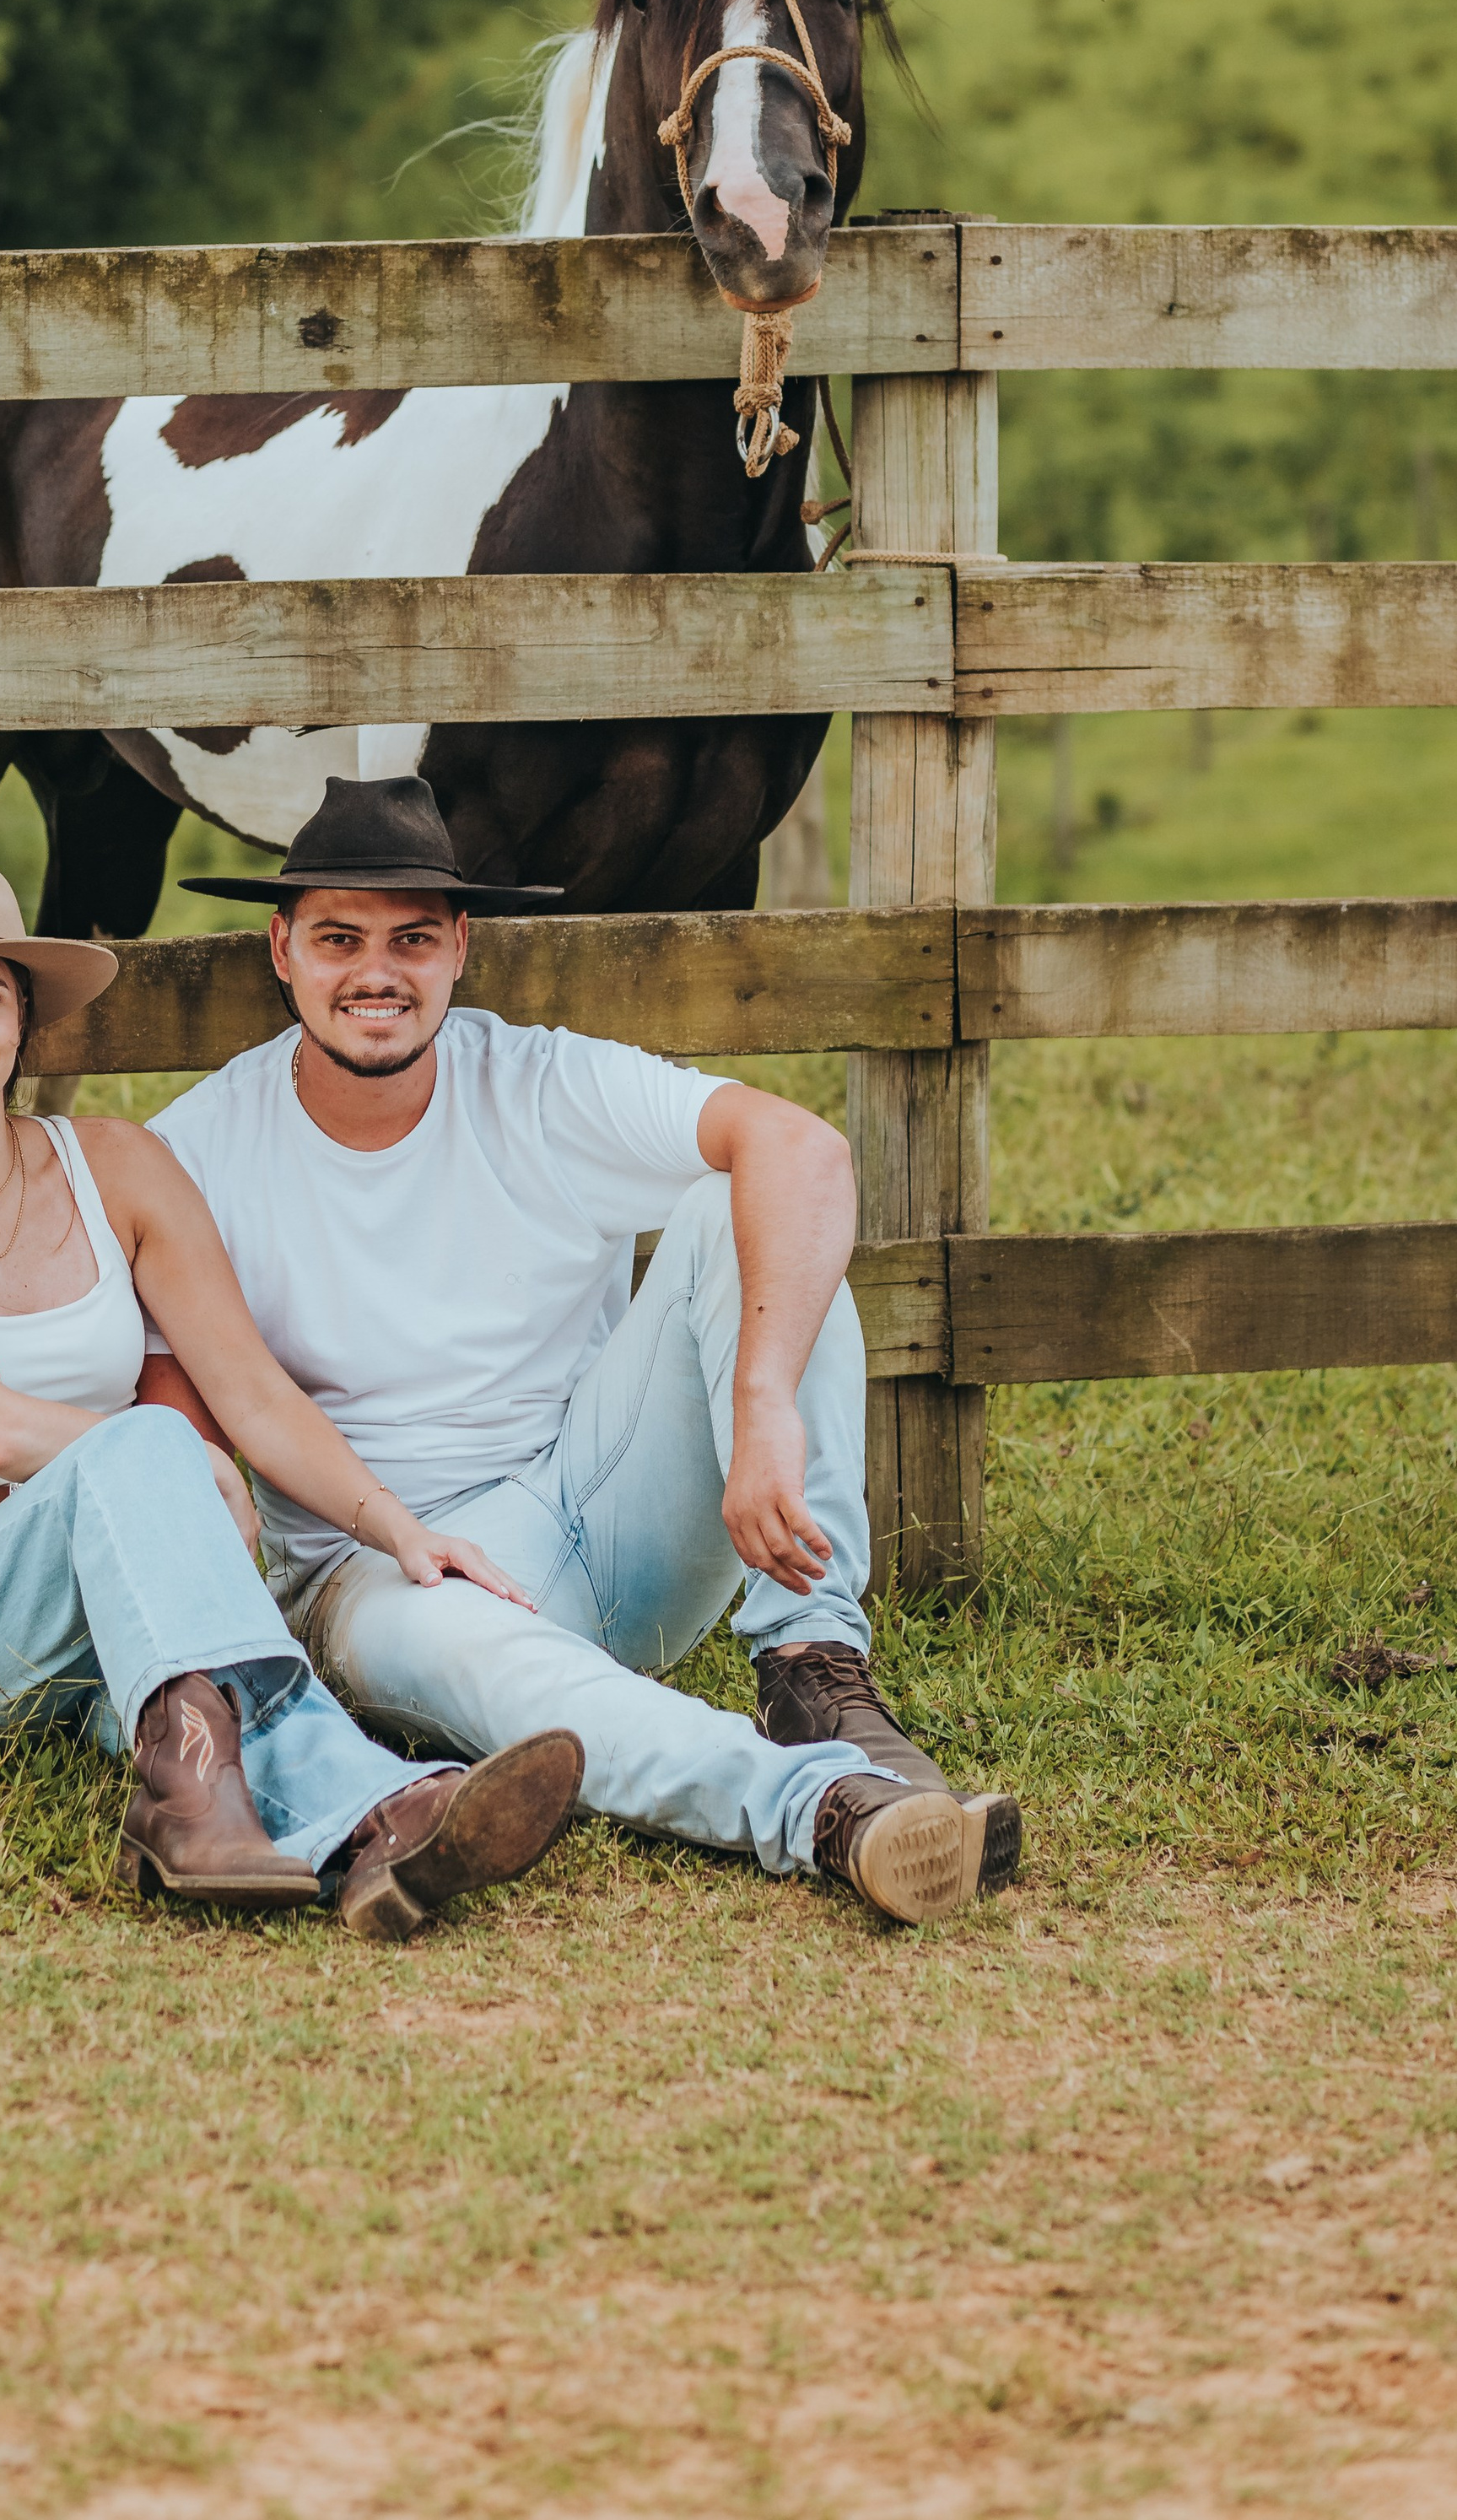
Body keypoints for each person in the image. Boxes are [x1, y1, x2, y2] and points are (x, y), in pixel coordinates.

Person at [138, 778, 1024, 1928]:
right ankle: (833, 1812)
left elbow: (799, 1149)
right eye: (339, 938)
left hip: (602, 1510)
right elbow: (180, 1417)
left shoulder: (539, 1083)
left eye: (413, 939)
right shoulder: (202, 1148)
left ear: (459, 949)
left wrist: (763, 1406)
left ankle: (814, 1671)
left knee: (734, 1211)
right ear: (282, 950)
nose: (377, 972)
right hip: (381, 1572)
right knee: (509, 1672)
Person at [0, 850, 583, 1939]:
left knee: (200, 1701)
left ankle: (357, 1828)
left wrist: (397, 1528)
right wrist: (176, 1465)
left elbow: (251, 1391)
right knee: (148, 1447)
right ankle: (290, 1804)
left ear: (23, 1020)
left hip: (115, 1600)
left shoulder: (120, 1168)